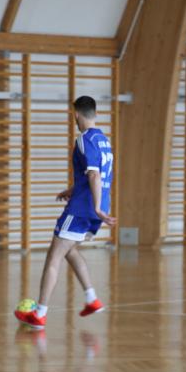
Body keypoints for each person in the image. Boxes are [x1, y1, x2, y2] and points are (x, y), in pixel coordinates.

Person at [14, 96, 115, 330]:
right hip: (96, 206)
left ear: (76, 114)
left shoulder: (84, 139)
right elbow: (95, 175)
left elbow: (94, 175)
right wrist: (73, 190)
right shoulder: (104, 140)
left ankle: (39, 314)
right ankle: (92, 298)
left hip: (83, 209)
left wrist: (95, 207)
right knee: (69, 250)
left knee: (54, 257)